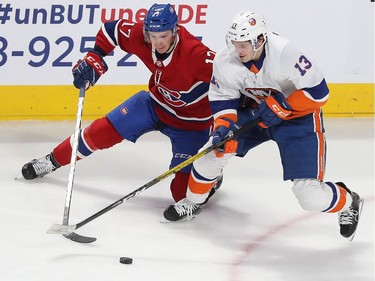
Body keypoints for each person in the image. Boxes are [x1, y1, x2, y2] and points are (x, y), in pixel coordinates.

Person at [163, 11, 364, 241]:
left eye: (244, 45)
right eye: (235, 44)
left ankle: (349, 200)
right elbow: (223, 98)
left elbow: (320, 93)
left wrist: (284, 105)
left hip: (298, 118)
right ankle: (194, 202)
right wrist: (222, 127)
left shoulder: (285, 53)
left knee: (309, 196)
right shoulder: (225, 59)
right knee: (210, 154)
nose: (238, 51)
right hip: (256, 113)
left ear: (259, 40)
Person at [21, 3, 220, 215]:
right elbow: (111, 30)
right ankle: (51, 161)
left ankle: (211, 174)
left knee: (181, 193)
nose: (157, 43)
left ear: (174, 30)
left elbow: (232, 82)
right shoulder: (141, 36)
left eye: (163, 36)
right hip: (154, 104)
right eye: (153, 36)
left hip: (191, 125)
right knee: (98, 132)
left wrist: (239, 113)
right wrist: (95, 55)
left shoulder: (196, 55)